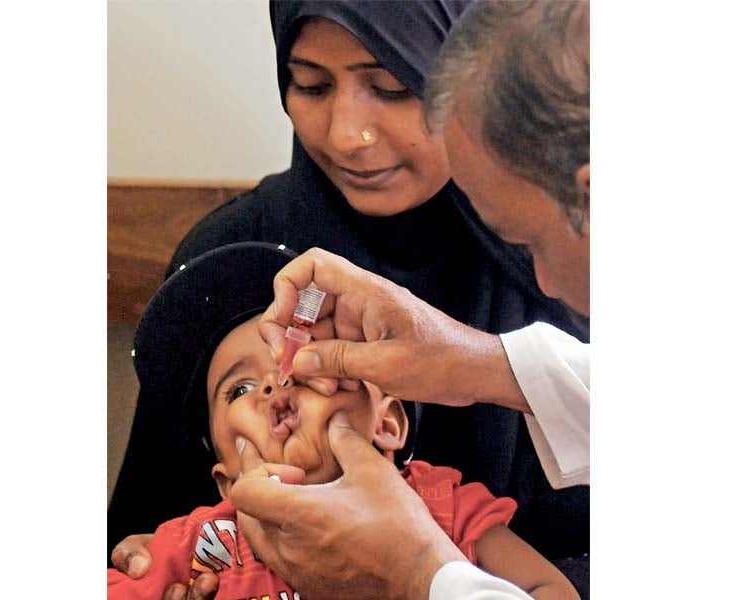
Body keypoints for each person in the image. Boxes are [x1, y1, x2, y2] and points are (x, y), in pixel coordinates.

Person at [109, 0, 590, 596]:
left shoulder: (571, 258)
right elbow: (152, 530)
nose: (348, 135)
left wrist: (417, 571)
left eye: (392, 86)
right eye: (310, 85)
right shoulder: (230, 256)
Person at [108, 241, 579, 600]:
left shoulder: (442, 509)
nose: (277, 383)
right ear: (228, 482)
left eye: (315, 365)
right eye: (240, 390)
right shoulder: (202, 544)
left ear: (388, 424)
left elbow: (551, 591)